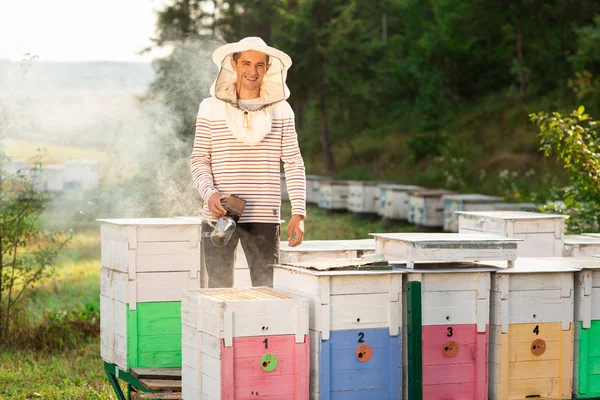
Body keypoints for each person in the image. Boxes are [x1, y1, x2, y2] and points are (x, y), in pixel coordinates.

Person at [190, 37, 306, 288]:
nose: (252, 71)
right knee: (218, 289)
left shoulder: (282, 110)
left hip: (265, 215)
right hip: (219, 213)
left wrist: (298, 212)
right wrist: (209, 194)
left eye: (259, 65)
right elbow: (199, 158)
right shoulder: (210, 107)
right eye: (246, 63)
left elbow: (294, 161)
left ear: (268, 68)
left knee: (267, 288)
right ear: (233, 64)